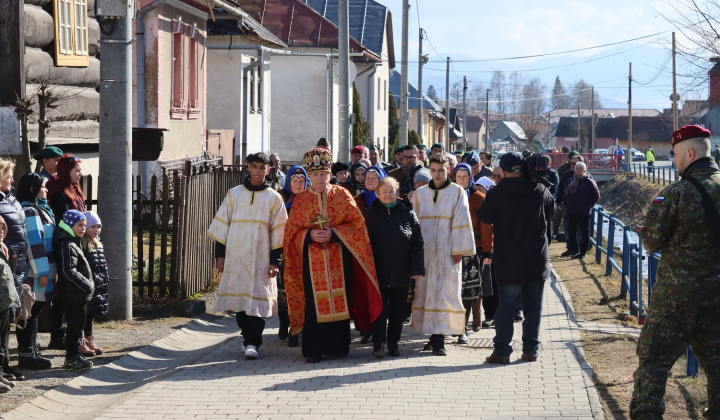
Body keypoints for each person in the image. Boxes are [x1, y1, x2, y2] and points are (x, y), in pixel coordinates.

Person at [630, 125, 720, 419]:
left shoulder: (677, 193)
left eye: (676, 154)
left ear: (690, 153)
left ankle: (647, 413)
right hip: (717, 295)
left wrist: (646, 232)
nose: (674, 161)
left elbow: (653, 240)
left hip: (676, 297)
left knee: (654, 361)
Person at [283, 147, 382, 363]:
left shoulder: (342, 195)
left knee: (342, 298)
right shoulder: (301, 201)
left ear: (330, 175)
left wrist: (334, 233)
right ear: (309, 176)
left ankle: (339, 346)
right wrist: (309, 235)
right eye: (315, 175)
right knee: (313, 303)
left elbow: (358, 226)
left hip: (340, 257)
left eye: (323, 175)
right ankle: (313, 349)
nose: (320, 179)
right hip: (311, 261)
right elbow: (290, 233)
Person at [207, 153, 288, 360]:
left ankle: (253, 342)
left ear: (269, 170)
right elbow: (221, 226)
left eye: (263, 167)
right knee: (241, 302)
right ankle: (246, 336)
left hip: (262, 258)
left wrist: (275, 261)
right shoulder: (234, 194)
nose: (258, 171)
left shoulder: (274, 198)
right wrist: (220, 255)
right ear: (248, 167)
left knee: (258, 302)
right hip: (237, 256)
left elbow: (279, 232)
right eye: (255, 166)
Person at [479, 152, 555, 364]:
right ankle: (531, 350)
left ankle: (502, 351)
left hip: (508, 260)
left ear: (502, 171)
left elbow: (484, 217)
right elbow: (551, 213)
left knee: (506, 307)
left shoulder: (497, 192)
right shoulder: (540, 188)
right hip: (536, 260)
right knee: (533, 308)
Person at [411, 154, 475, 356]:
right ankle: (432, 335)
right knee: (426, 291)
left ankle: (439, 340)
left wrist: (459, 250)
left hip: (448, 251)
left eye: (441, 170)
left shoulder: (457, 192)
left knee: (445, 292)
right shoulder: (420, 194)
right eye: (433, 170)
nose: (437, 174)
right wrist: (414, 253)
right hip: (426, 252)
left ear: (448, 170)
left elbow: (462, 220)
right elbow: (414, 225)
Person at [364, 177, 424, 358]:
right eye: (385, 191)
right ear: (378, 193)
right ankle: (378, 343)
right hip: (377, 271)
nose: (388, 195)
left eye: (392, 191)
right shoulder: (369, 214)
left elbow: (418, 244)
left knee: (398, 311)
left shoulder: (408, 213)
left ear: (397, 193)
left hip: (401, 270)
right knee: (378, 309)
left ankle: (393, 342)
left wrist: (417, 269)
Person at [15, 173, 54, 370]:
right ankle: (26, 354)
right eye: (43, 187)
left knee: (34, 312)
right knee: (28, 312)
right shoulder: (29, 211)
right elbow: (35, 243)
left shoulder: (37, 209)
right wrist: (43, 272)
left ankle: (31, 351)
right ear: (32, 190)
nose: (46, 190)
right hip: (33, 272)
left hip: (38, 269)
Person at [453, 164, 493, 342]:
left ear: (471, 177)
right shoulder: (450, 195)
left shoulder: (479, 198)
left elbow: (486, 227)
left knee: (471, 289)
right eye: (458, 176)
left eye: (465, 176)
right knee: (456, 289)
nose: (461, 180)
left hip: (473, 249)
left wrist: (487, 251)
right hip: (452, 249)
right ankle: (458, 324)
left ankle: (469, 322)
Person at [54, 210, 93, 371]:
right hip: (74, 293)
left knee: (78, 326)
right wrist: (87, 285)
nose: (83, 228)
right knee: (75, 327)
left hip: (77, 293)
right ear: (70, 224)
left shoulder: (71, 241)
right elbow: (68, 271)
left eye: (84, 225)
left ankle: (75, 355)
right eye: (80, 225)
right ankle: (72, 358)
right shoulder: (66, 243)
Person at [0, 158, 28, 380]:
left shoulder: (10, 199)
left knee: (7, 316)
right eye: (7, 175)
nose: (11, 179)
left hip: (14, 262)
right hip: (4, 261)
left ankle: (5, 364)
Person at [277, 166, 309, 348]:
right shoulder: (281, 197)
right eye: (295, 180)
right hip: (283, 250)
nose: (298, 184)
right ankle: (284, 321)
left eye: (301, 180)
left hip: (303, 250)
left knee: (302, 290)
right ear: (288, 181)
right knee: (284, 290)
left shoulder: (310, 199)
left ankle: (297, 330)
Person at [78, 211, 109, 357]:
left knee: (91, 314)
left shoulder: (98, 243)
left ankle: (90, 337)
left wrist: (105, 277)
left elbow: (103, 264)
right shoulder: (82, 244)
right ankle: (81, 340)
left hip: (97, 283)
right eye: (93, 227)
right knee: (83, 313)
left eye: (98, 226)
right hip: (87, 283)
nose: (96, 230)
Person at [563, 162, 599, 259]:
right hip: (572, 211)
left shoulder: (589, 182)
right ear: (574, 169)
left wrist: (589, 204)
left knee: (584, 232)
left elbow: (595, 195)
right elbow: (565, 194)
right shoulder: (570, 181)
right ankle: (575, 250)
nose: (578, 170)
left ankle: (583, 252)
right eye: (577, 168)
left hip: (584, 211)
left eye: (580, 168)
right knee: (572, 231)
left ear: (584, 170)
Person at [0, 215, 20, 392]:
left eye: (2, 228)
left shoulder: (3, 250)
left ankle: (0, 373)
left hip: (5, 304)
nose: (0, 232)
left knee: (2, 342)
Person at [47, 154, 86, 224]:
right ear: (66, 171)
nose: (81, 174)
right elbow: (66, 220)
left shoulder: (74, 188)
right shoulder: (58, 192)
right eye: (77, 171)